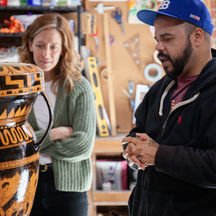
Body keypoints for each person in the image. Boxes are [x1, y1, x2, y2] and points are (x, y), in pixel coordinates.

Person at [122, 0, 216, 215]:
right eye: (156, 39)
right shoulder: (160, 88)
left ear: (197, 37)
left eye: (167, 38)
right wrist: (132, 149)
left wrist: (159, 155)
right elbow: (139, 133)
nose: (158, 47)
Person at [18, 13, 96, 216]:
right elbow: (11, 144)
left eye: (54, 47)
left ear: (63, 49)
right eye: (41, 45)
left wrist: (33, 140)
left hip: (68, 190)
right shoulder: (18, 89)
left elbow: (84, 145)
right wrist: (54, 134)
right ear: (30, 44)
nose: (46, 54)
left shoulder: (79, 87)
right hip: (25, 185)